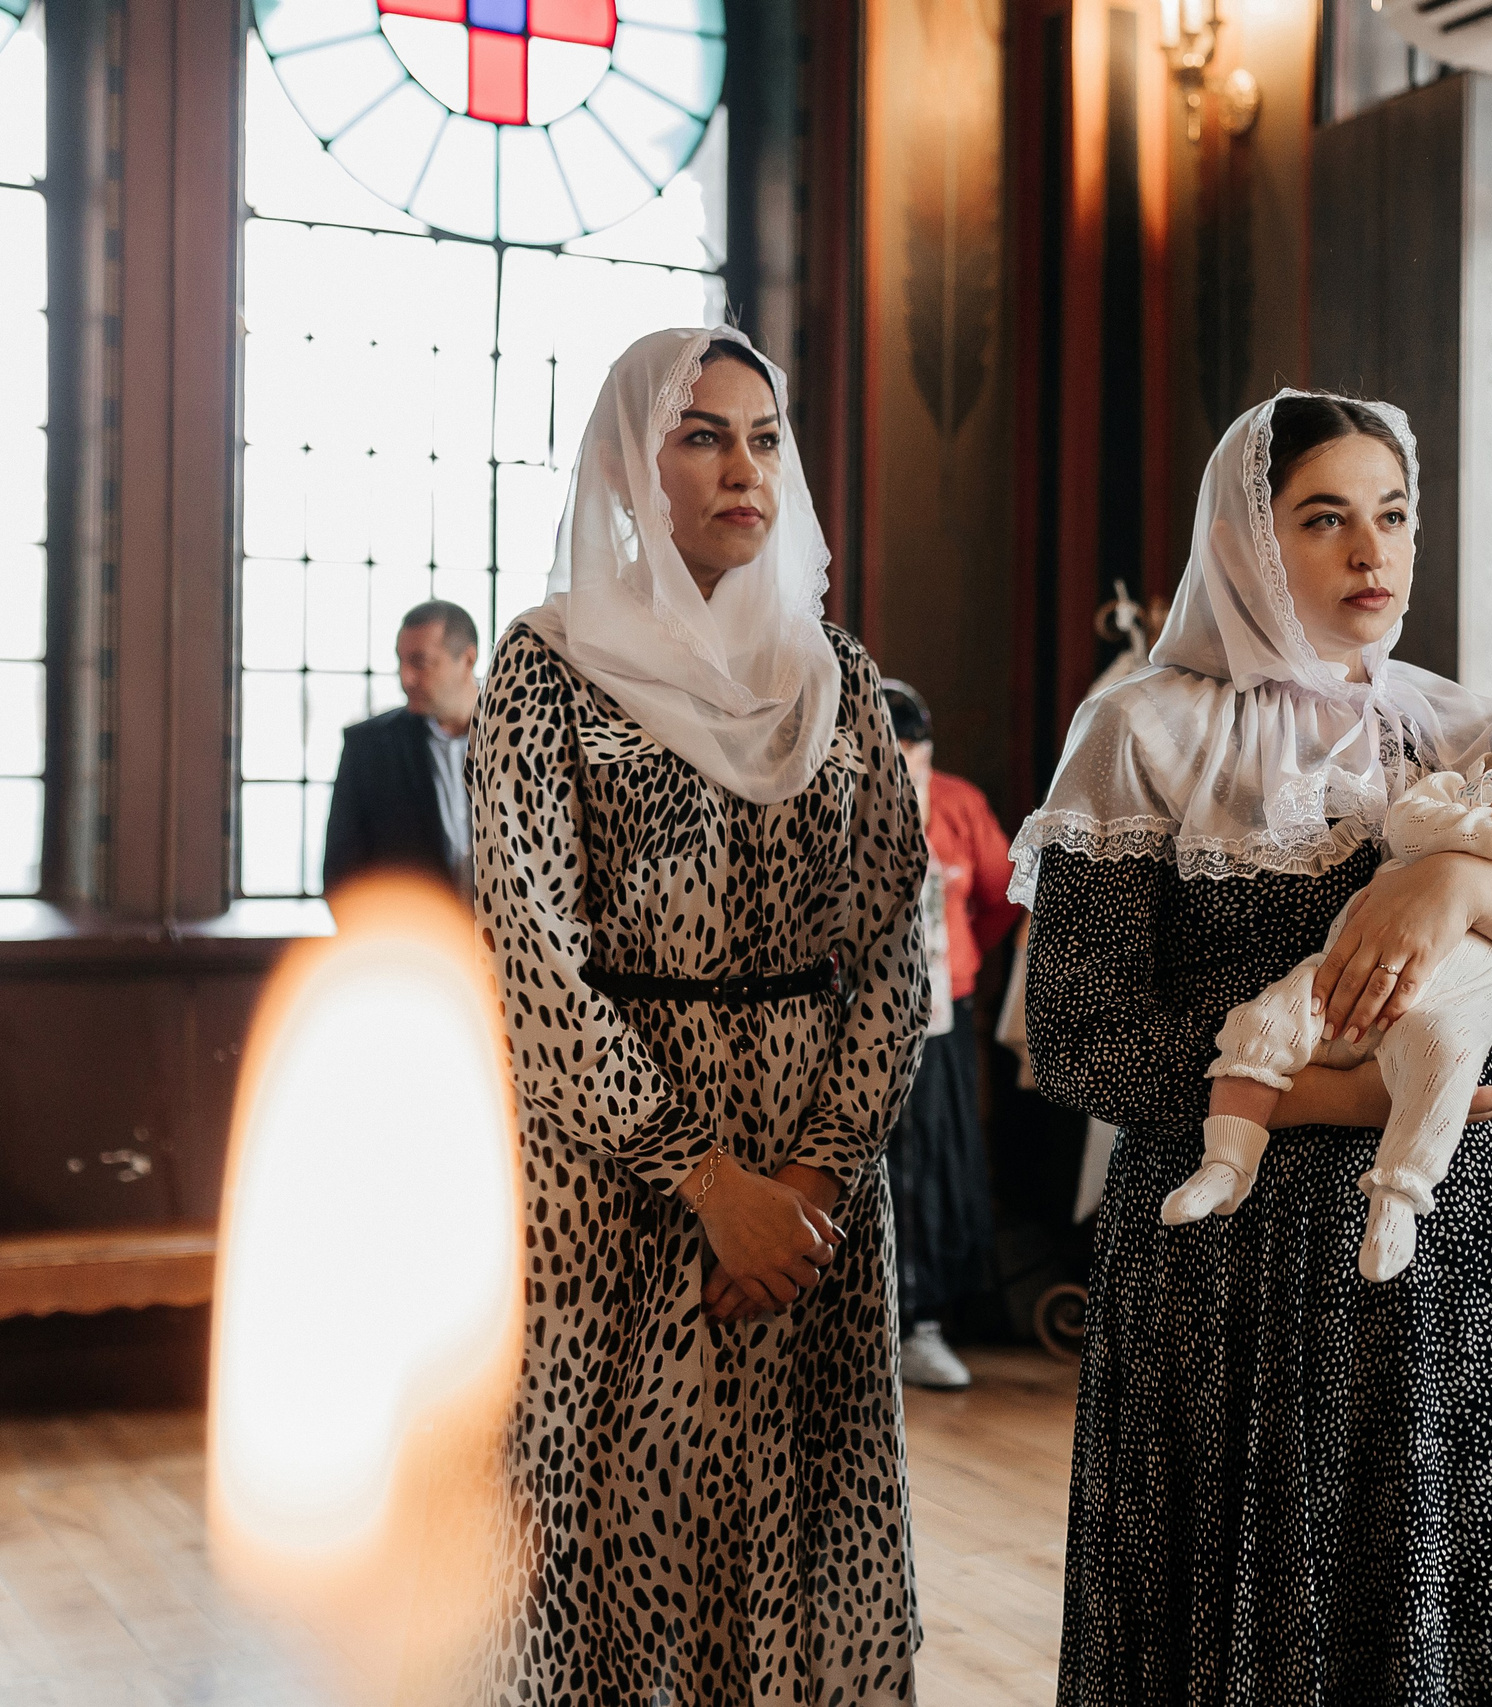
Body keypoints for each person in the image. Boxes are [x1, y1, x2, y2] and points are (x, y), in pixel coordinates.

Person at [1019, 390, 1492, 1703]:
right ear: (1251, 539)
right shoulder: (1144, 729)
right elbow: (1082, 1039)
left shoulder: (1465, 724)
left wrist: (1466, 891)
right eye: (1326, 520)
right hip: (1240, 1273)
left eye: (1392, 516)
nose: (1372, 552)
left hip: (1460, 1264)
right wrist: (1333, 1097)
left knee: (1442, 1615)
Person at [469, 327, 931, 1704]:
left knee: (808, 1565)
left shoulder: (833, 672)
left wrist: (807, 1179)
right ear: (634, 461)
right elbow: (534, 962)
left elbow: (896, 945)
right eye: (703, 434)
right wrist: (704, 1179)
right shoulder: (546, 668)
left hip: (814, 1191)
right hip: (615, 1188)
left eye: (766, 436)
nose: (745, 466)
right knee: (612, 1564)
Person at [1162, 700, 1492, 1281]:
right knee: (1264, 1021)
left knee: (1444, 1057)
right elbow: (1408, 825)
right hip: (1342, 976)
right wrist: (1490, 831)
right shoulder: (1462, 791)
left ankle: (1398, 1198)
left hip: (1448, 1003)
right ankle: (1227, 1160)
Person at [878, 676, 1022, 1390]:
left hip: (944, 1006)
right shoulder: (839, 799)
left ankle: (925, 1319)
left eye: (913, 750)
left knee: (937, 1157)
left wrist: (962, 960)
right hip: (859, 1012)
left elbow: (1002, 896)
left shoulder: (960, 805)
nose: (903, 763)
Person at [320, 599, 479, 900]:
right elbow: (340, 877)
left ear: (467, 660)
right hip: (409, 944)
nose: (405, 678)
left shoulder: (520, 738)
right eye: (401, 661)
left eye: (420, 662)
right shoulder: (368, 748)